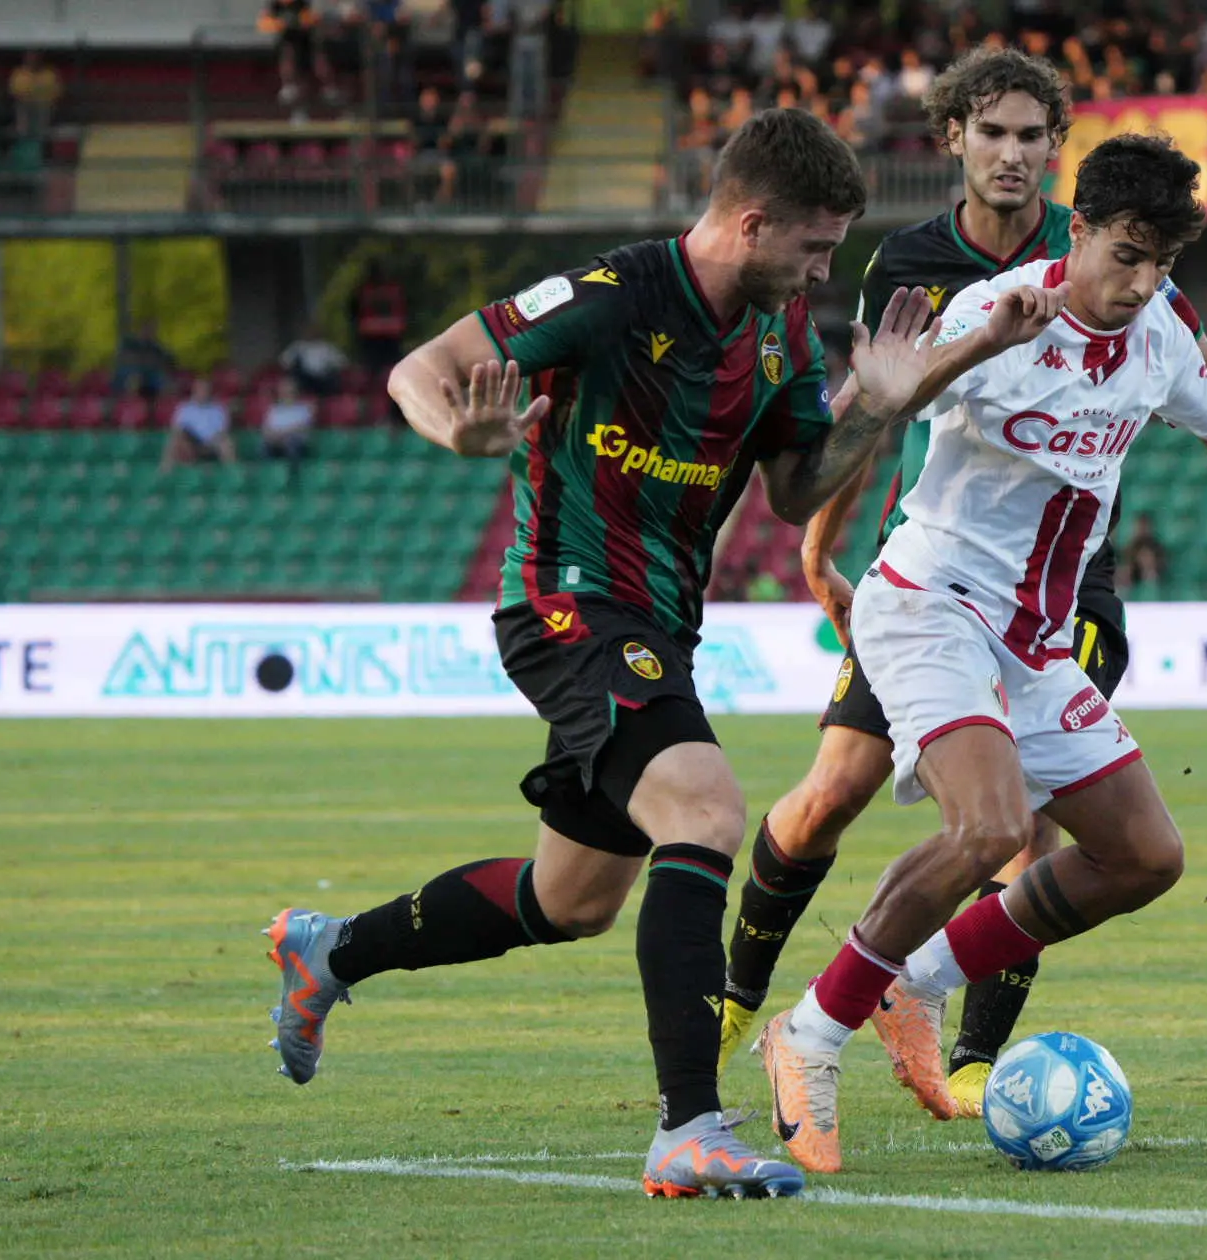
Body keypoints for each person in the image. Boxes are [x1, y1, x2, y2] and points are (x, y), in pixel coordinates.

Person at [261, 108, 939, 1201]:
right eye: (813, 247)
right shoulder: (613, 295)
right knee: (707, 811)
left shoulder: (778, 338)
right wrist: (464, 432)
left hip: (660, 622)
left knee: (570, 900)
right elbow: (418, 372)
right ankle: (688, 1127)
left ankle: (329, 952)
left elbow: (799, 486)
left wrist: (881, 412)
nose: (824, 271)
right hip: (567, 600)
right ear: (754, 221)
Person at [714, 50, 1207, 1119]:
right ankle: (808, 1035)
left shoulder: (1160, 329)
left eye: (1156, 264)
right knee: (978, 828)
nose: (1137, 283)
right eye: (1124, 257)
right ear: (1078, 231)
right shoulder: (992, 309)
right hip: (930, 599)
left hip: (1039, 632)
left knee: (1144, 856)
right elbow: (855, 435)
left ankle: (919, 986)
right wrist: (962, 352)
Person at [159, 379, 237, 470]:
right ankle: (165, 469)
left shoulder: (219, 409)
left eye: (205, 390)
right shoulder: (184, 408)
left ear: (210, 391)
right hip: (191, 443)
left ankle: (232, 471)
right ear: (194, 391)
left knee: (227, 442)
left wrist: (211, 442)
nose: (202, 392)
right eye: (200, 389)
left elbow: (223, 431)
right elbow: (177, 429)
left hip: (213, 443)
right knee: (175, 439)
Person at [350, 259, 407, 372]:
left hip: (371, 332)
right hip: (391, 331)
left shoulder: (363, 290)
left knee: (373, 366)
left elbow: (354, 311)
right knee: (392, 365)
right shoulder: (394, 289)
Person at [260, 374, 316, 478]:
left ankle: (291, 476)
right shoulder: (274, 410)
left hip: (296, 442)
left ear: (295, 391)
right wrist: (273, 436)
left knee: (291, 444)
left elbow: (303, 427)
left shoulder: (303, 409)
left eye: (288, 389)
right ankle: (270, 475)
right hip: (276, 441)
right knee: (264, 446)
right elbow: (266, 429)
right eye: (282, 389)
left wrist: (283, 434)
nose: (284, 392)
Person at [279, 323, 347, 396]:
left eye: (314, 331)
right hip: (304, 378)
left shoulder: (327, 347)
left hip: (323, 378)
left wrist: (330, 366)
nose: (311, 333)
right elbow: (284, 361)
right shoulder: (298, 346)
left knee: (333, 379)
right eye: (309, 331)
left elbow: (342, 362)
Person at [112, 321, 175, 399]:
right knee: (133, 378)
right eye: (148, 329)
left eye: (153, 330)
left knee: (164, 380)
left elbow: (165, 359)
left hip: (149, 372)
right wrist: (143, 360)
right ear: (141, 329)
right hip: (130, 371)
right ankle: (130, 405)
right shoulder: (128, 342)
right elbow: (123, 358)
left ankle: (163, 405)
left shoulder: (154, 345)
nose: (150, 332)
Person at [8, 51, 61, 139]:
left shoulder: (50, 74)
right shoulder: (18, 74)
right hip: (25, 107)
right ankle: (23, 136)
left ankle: (42, 136)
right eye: (30, 55)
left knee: (44, 107)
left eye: (35, 55)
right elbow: (14, 96)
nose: (33, 58)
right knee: (22, 107)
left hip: (46, 107)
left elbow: (56, 96)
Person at [1119, 512, 1170, 589]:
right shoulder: (1131, 547)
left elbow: (1163, 566)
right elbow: (1127, 564)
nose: (1142, 529)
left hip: (1154, 581)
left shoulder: (1157, 547)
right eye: (1140, 525)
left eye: (1144, 526)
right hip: (1134, 581)